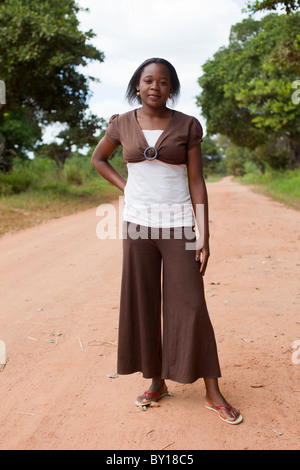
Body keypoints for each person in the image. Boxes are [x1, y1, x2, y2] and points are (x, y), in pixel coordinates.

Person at [92, 58, 242, 425]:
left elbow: (196, 181)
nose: (155, 86)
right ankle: (156, 382)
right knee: (143, 304)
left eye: (163, 81)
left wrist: (203, 233)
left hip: (177, 226)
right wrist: (127, 187)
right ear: (137, 86)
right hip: (138, 227)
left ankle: (212, 391)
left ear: (171, 88)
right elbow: (99, 159)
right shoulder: (120, 124)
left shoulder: (188, 125)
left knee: (191, 304)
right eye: (148, 81)